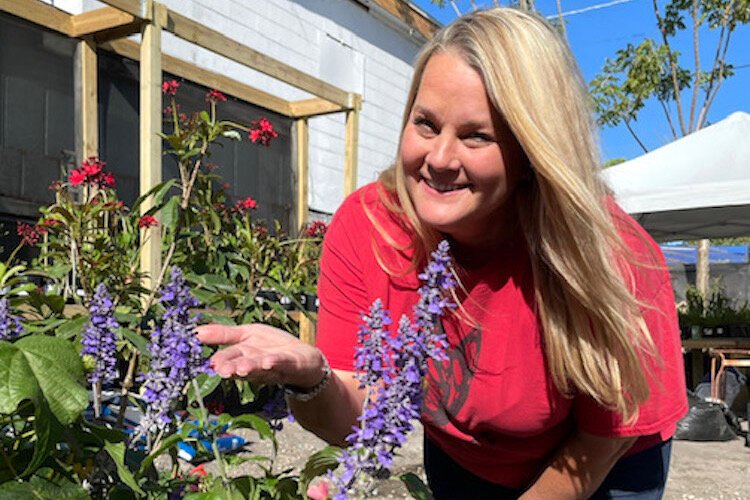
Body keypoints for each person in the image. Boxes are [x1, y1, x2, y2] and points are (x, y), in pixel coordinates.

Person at [198, 7, 688, 499]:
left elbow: (602, 438)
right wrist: (312, 378)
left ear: (530, 153)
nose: (438, 160)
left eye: (476, 135)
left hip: (602, 461)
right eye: (426, 124)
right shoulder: (368, 227)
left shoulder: (608, 255)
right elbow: (355, 420)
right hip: (464, 454)